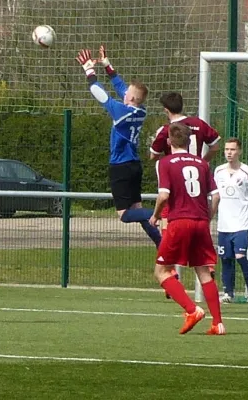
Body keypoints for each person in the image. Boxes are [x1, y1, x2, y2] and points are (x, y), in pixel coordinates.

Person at [75, 45, 161, 248]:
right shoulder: (140, 110)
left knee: (124, 214)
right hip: (134, 166)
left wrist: (89, 70)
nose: (124, 93)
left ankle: (160, 213)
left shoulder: (121, 112)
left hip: (121, 166)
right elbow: (122, 88)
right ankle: (161, 242)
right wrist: (107, 66)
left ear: (130, 99)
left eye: (127, 94)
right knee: (136, 208)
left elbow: (99, 92)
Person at [149, 122, 225, 335]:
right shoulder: (202, 163)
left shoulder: (166, 162)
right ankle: (218, 323)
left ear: (169, 141)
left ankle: (192, 310)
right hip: (201, 222)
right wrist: (207, 216)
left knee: (161, 271)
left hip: (179, 221)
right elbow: (216, 195)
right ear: (190, 140)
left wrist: (155, 216)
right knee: (203, 270)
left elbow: (164, 195)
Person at [150, 92, 221, 297]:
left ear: (166, 110)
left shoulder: (167, 130)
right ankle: (205, 266)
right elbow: (215, 145)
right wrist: (203, 161)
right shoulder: (199, 123)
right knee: (197, 229)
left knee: (169, 224)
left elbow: (153, 155)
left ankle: (170, 272)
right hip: (198, 181)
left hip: (176, 180)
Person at [214, 138, 248, 304]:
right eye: (227, 149)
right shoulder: (219, 171)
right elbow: (215, 197)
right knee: (226, 258)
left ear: (239, 151)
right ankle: (228, 292)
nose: (229, 152)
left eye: (232, 149)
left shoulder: (247, 172)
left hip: (241, 224)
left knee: (240, 255)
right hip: (223, 225)